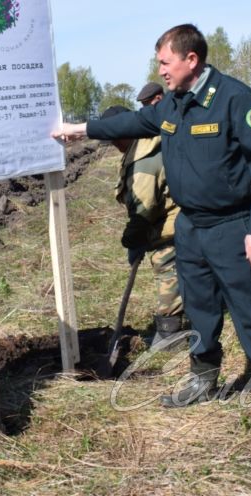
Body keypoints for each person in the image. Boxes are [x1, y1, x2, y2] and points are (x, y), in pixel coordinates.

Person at [53, 24, 251, 414]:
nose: (161, 71)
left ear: (191, 59)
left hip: (231, 225)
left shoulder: (235, 100)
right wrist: (82, 130)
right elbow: (131, 122)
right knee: (199, 307)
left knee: (249, 307)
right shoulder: (173, 102)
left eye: (165, 62)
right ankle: (203, 376)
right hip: (189, 227)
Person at [99, 104, 186, 348]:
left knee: (167, 268)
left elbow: (143, 210)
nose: (114, 146)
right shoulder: (145, 145)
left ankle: (170, 334)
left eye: (115, 139)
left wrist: (133, 239)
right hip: (173, 219)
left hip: (174, 225)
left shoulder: (144, 161)